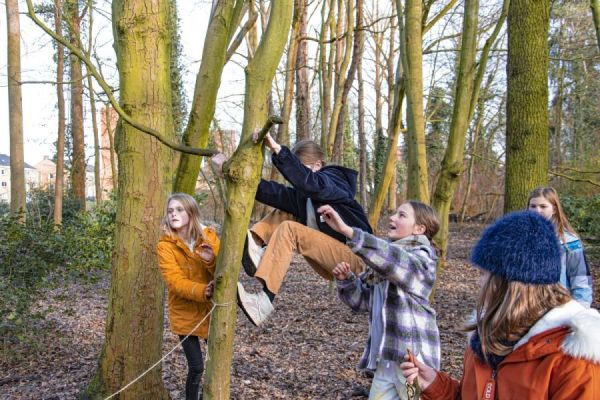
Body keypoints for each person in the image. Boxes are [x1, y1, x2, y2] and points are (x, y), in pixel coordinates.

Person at [400, 211, 600, 400]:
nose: (479, 284)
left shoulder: (574, 363)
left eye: (484, 275)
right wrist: (435, 385)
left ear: (511, 283)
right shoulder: (484, 338)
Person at [236, 133, 372, 326]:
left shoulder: (334, 181)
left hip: (358, 259)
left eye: (301, 170)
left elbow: (312, 184)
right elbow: (276, 193)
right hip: (334, 262)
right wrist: (233, 173)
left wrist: (276, 148)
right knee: (285, 211)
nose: (297, 180)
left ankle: (263, 303)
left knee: (290, 229)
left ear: (317, 165)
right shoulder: (305, 197)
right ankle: (255, 246)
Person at [318, 201, 441, 400]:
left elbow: (394, 261)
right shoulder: (380, 267)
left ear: (419, 229)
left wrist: (348, 231)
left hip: (413, 364)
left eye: (401, 215)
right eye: (394, 214)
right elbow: (363, 302)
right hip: (386, 361)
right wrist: (347, 282)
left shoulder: (422, 261)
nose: (392, 218)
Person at [156, 193, 220, 400]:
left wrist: (211, 261)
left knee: (215, 365)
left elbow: (224, 274)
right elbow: (174, 281)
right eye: (170, 211)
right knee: (197, 368)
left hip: (213, 313)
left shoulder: (209, 237)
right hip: (184, 315)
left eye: (179, 209)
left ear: (191, 212)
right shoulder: (165, 246)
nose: (173, 214)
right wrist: (203, 291)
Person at [528, 186, 593, 307]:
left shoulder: (569, 242)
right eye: (533, 206)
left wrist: (580, 312)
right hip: (527, 310)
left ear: (554, 209)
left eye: (543, 206)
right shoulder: (519, 240)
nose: (537, 211)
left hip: (559, 309)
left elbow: (581, 281)